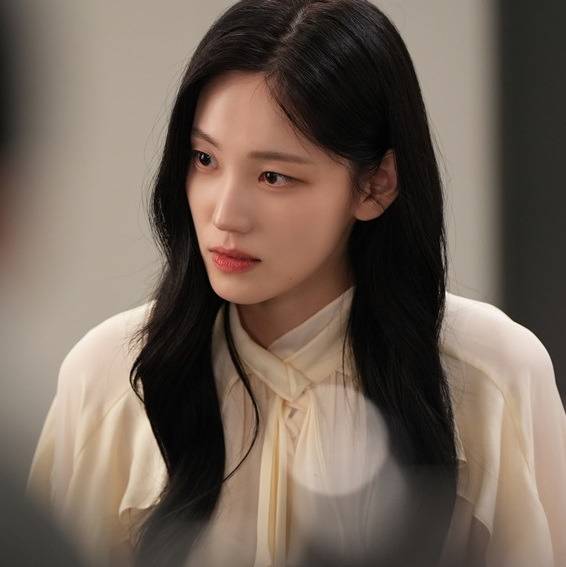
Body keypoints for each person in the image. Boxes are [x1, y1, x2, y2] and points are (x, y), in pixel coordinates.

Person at [24, 1, 566, 566]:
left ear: (376, 185)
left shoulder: (493, 377)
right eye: (205, 159)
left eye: (273, 176)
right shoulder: (111, 378)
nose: (225, 215)